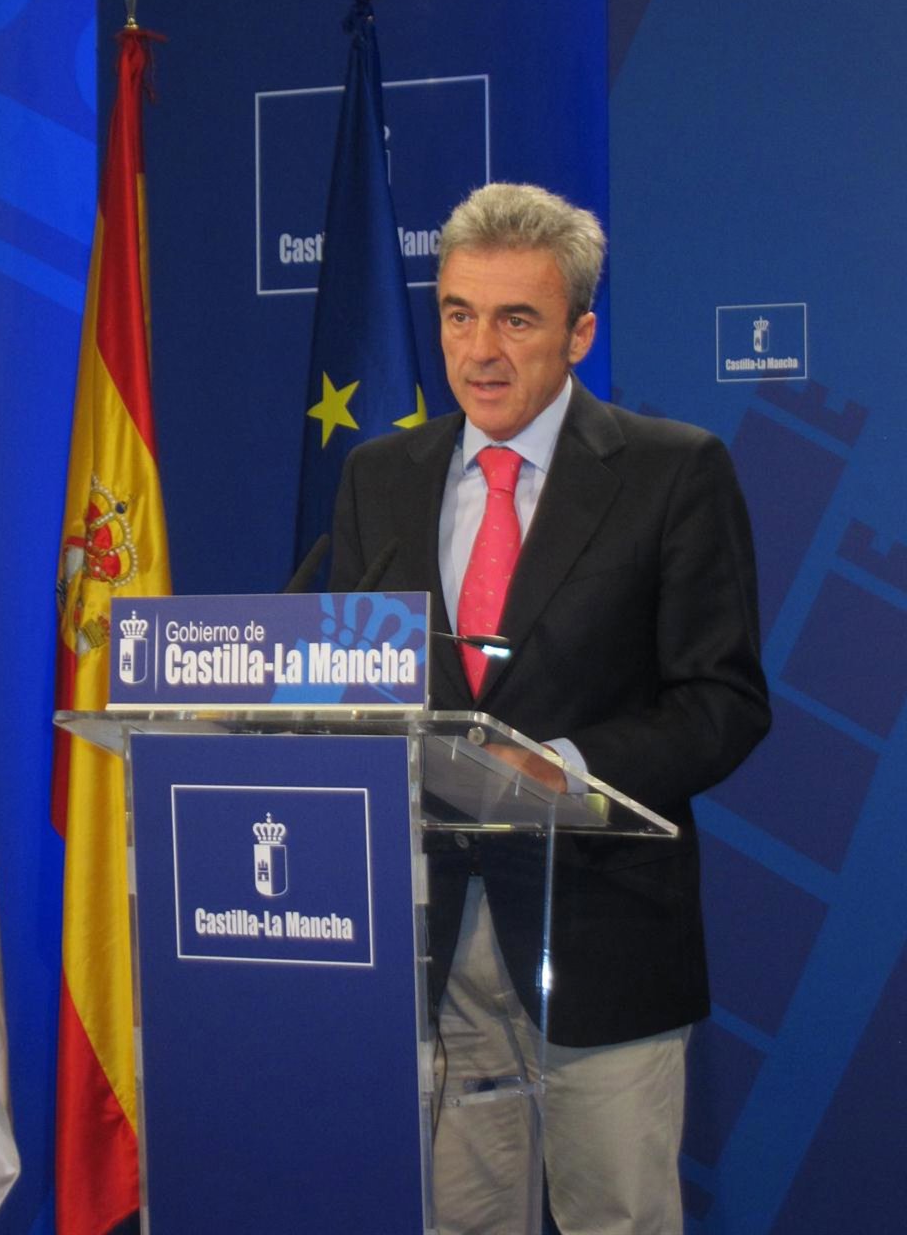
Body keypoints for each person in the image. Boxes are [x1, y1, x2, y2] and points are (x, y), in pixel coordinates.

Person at [329, 182, 770, 1235]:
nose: (479, 350)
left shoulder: (672, 472)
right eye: (457, 314)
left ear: (579, 333)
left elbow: (722, 701)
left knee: (617, 1219)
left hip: (602, 937)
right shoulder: (379, 477)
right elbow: (337, 671)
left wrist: (564, 767)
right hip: (430, 939)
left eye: (516, 320)